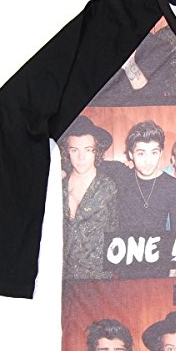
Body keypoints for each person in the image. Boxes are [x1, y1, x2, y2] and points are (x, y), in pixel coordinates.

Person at [59, 115, 119, 280]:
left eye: (88, 150)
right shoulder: (58, 186)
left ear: (96, 151)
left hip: (99, 277)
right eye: (74, 150)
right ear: (67, 152)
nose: (81, 157)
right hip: (63, 277)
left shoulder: (109, 186)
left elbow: (117, 229)